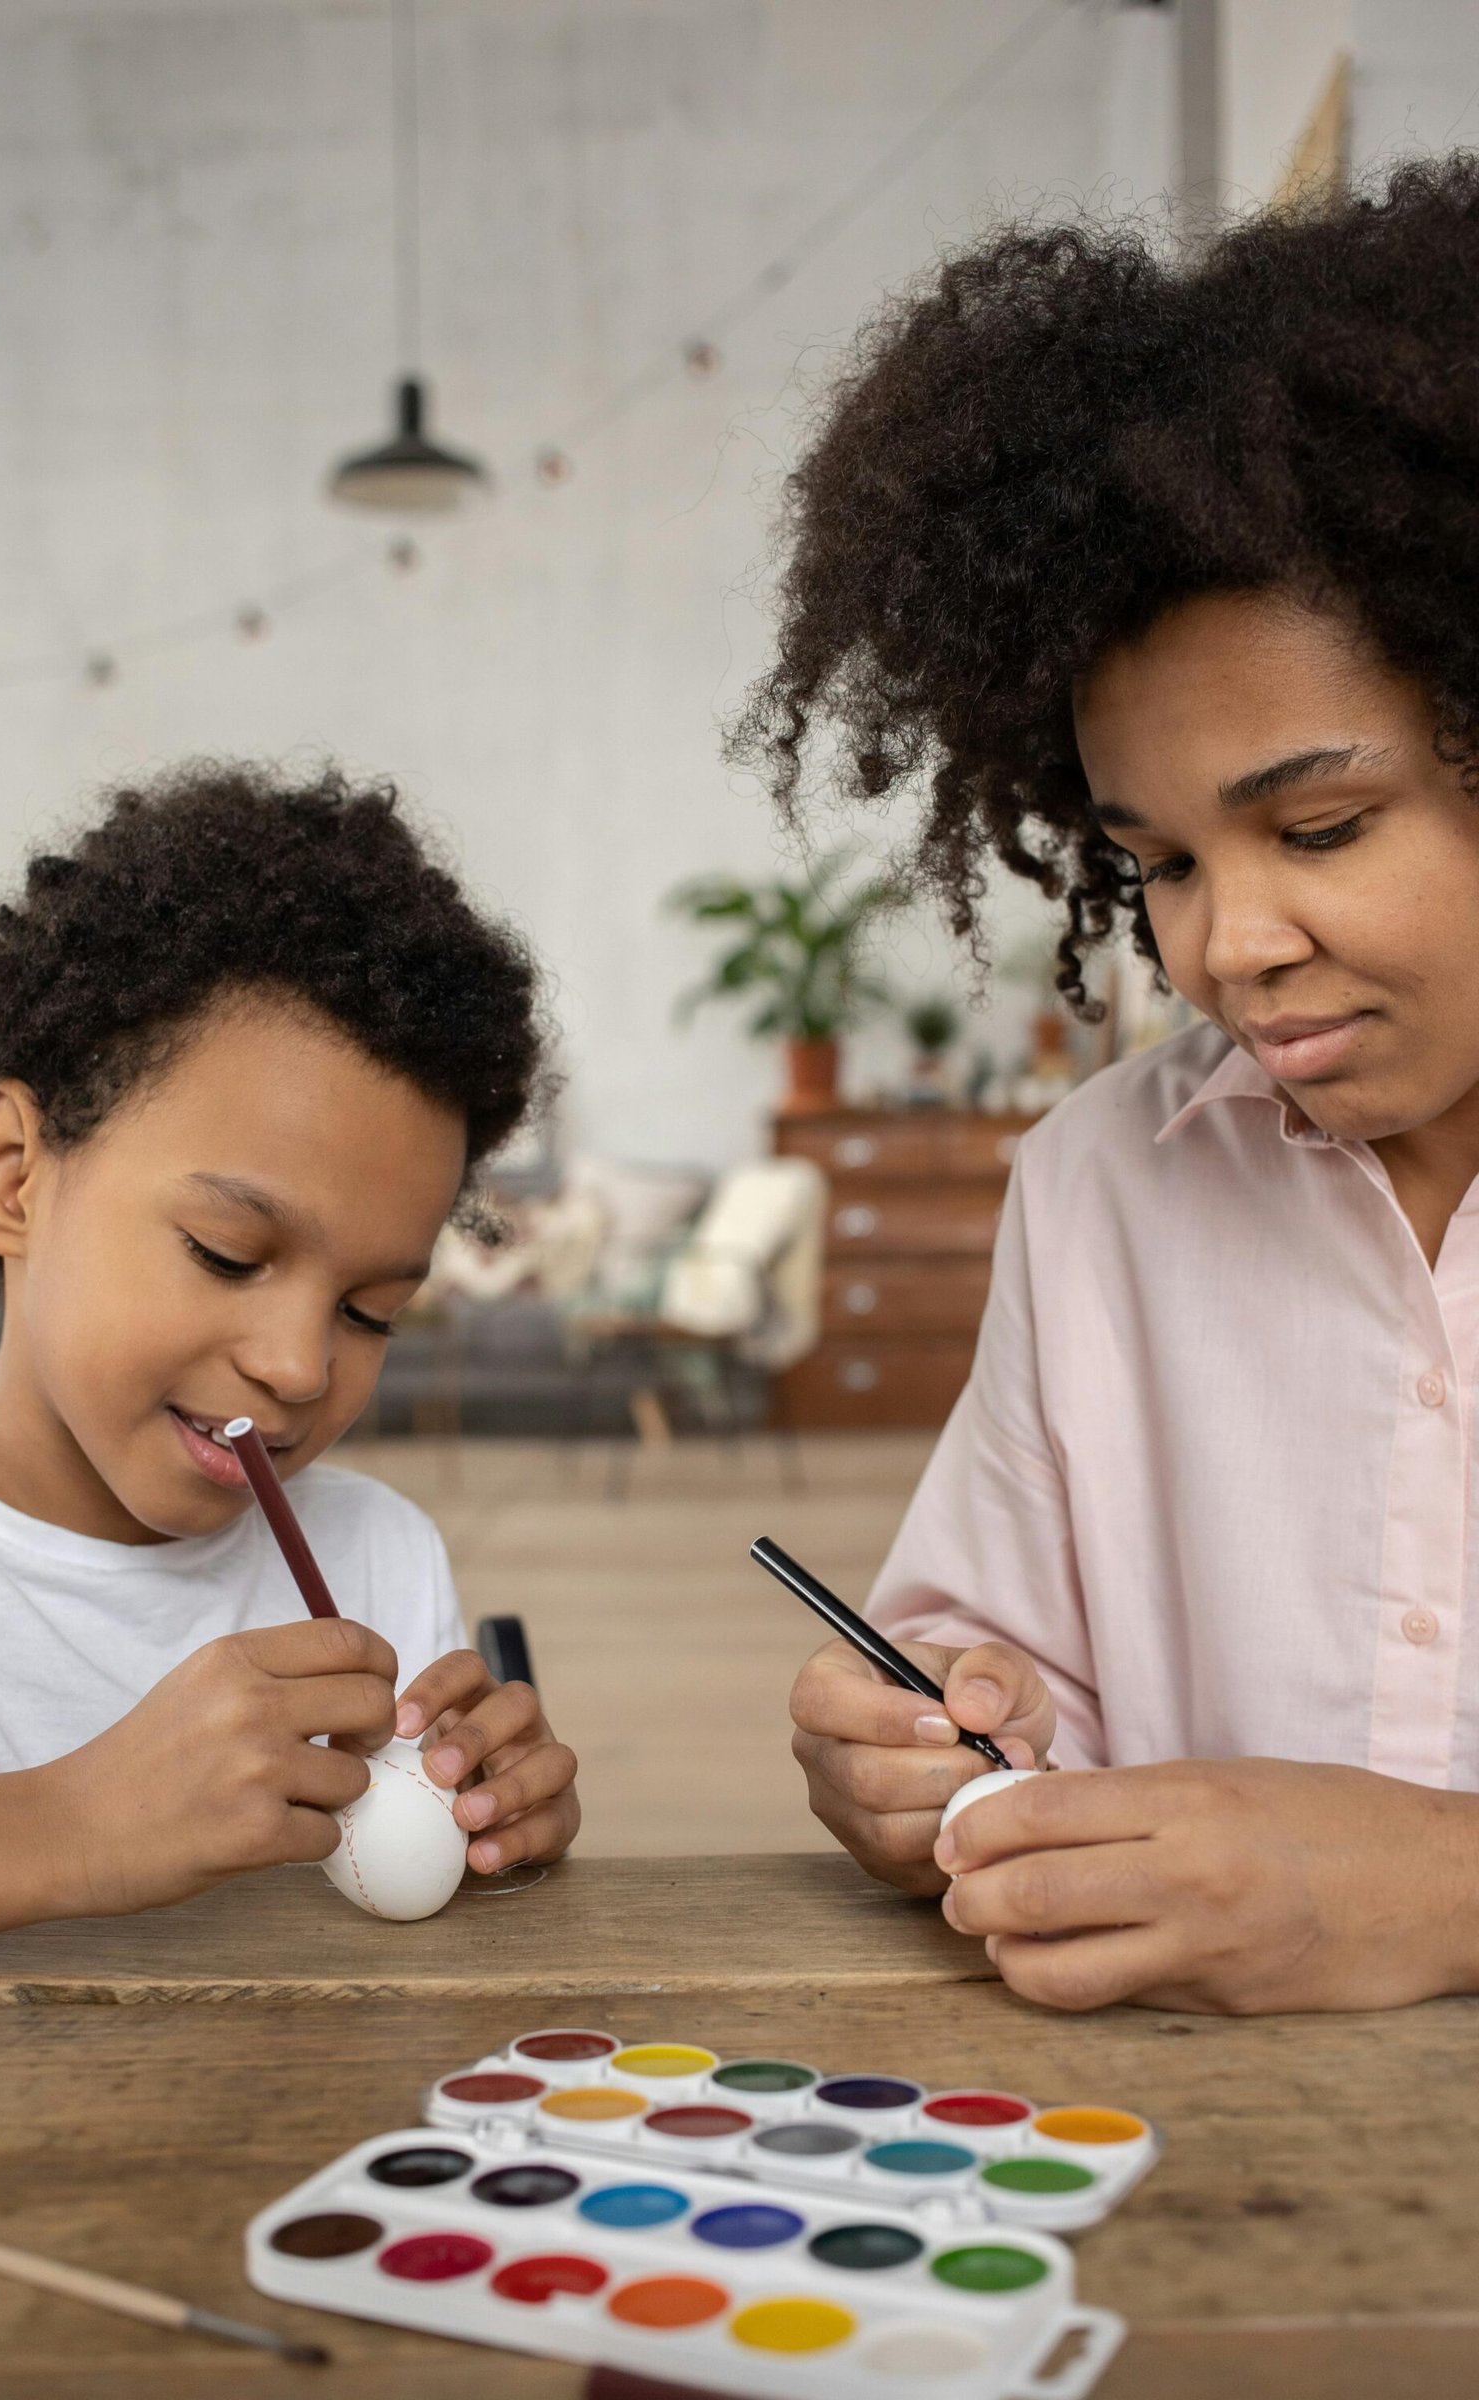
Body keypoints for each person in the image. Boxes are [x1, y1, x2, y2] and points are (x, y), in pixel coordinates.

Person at [739, 159, 1479, 2013]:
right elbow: (990, 1649)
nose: (1229, 950)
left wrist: (1442, 1890)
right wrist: (935, 1741)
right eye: (1157, 865)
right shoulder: (1105, 1186)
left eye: (1318, 826)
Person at [0, 764, 579, 1962]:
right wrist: (70, 1824)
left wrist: (482, 1826)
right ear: (10, 1176)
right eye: (227, 1253)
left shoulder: (375, 1555)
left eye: (370, 1312)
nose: (302, 1367)